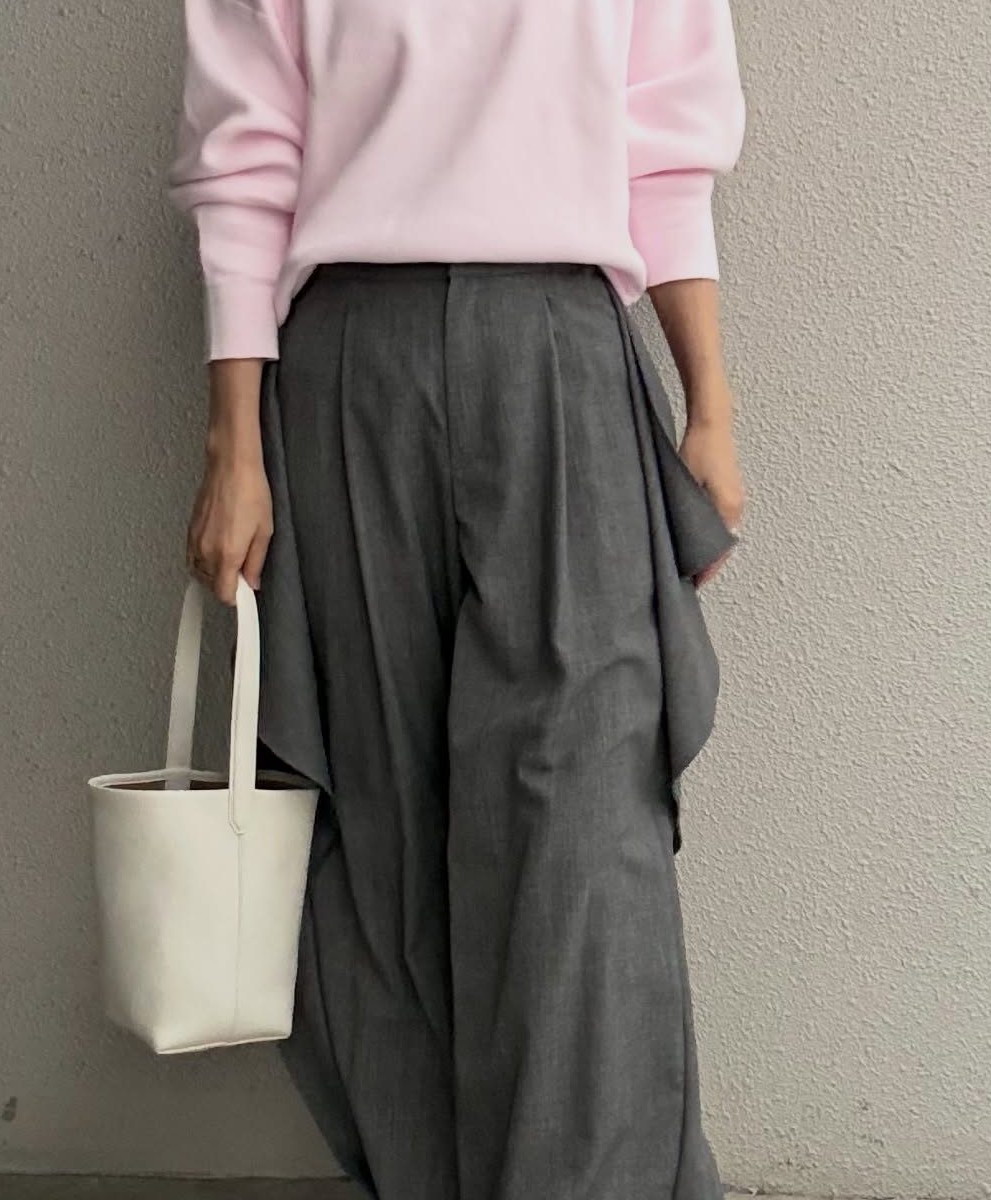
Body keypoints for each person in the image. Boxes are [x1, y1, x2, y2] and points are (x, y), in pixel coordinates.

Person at [165, 1, 748, 1196]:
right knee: (380, 822)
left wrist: (712, 406)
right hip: (349, 367)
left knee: (587, 826)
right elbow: (245, 152)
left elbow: (666, 139)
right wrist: (234, 444)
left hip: (562, 352)